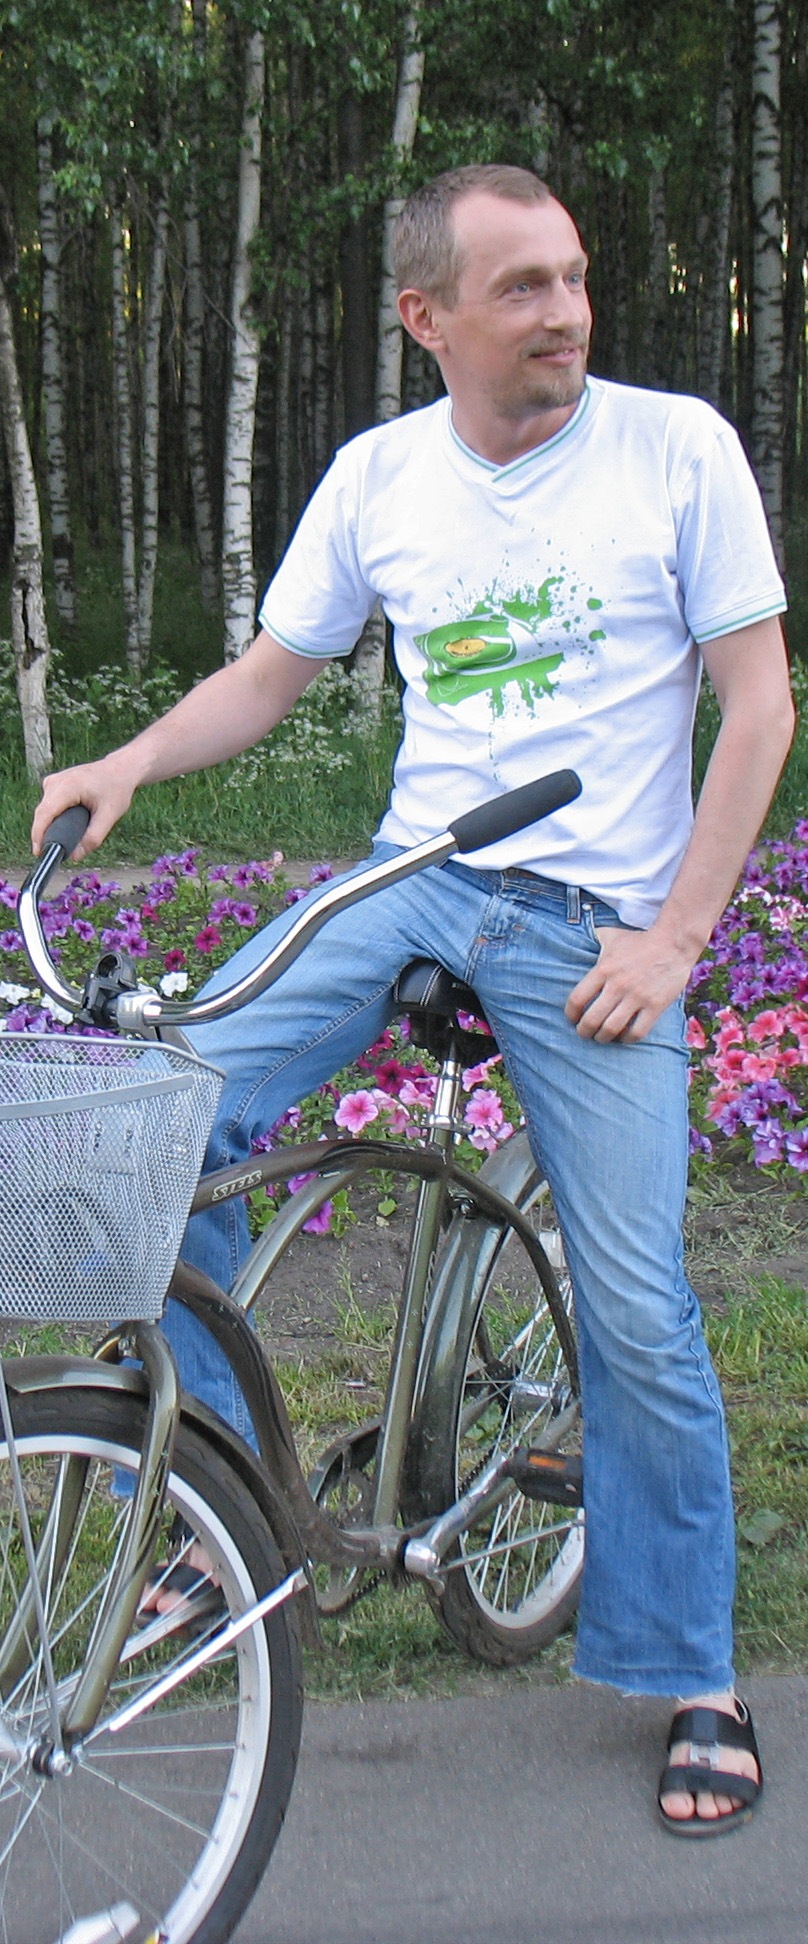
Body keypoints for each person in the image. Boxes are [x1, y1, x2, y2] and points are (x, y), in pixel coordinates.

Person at [33, 163, 793, 1836]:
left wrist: (674, 941)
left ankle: (690, 1664)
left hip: (598, 920)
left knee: (640, 1306)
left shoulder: (678, 451)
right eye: (523, 287)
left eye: (574, 276)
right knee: (161, 1109)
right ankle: (225, 1509)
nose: (568, 312)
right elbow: (270, 675)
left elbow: (757, 708)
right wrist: (129, 761)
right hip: (417, 880)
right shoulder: (381, 476)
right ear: (425, 316)